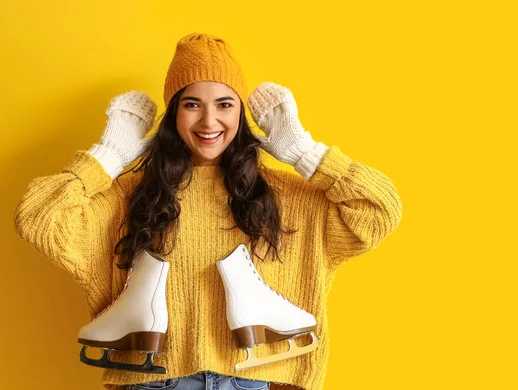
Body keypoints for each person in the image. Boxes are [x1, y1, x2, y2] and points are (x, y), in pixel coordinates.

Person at [13, 33, 403, 390]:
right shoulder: (129, 196)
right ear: (173, 114)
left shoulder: (286, 196)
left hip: (249, 381)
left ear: (240, 113)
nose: (209, 121)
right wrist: (109, 156)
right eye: (192, 104)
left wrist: (305, 153)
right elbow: (37, 217)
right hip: (156, 382)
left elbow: (379, 210)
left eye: (224, 104)